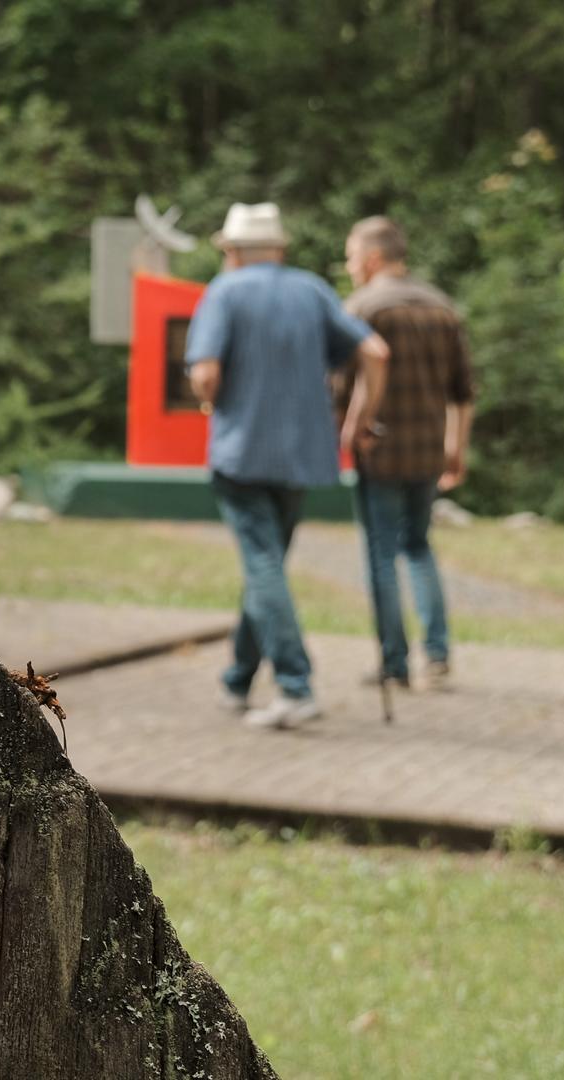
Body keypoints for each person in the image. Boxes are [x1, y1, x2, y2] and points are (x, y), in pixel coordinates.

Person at [185, 202, 389, 730]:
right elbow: (376, 353)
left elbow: (206, 374)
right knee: (268, 563)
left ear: (232, 252)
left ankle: (296, 687)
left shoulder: (223, 292)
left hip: (240, 453)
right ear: (279, 248)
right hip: (304, 456)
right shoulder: (313, 289)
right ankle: (237, 680)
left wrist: (211, 393)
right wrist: (362, 419)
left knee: (263, 565)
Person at [341, 216, 475, 690]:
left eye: (351, 256)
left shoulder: (363, 308)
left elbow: (343, 381)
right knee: (418, 547)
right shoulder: (442, 307)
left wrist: (349, 428)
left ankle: (394, 663)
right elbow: (464, 391)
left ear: (374, 258)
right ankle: (437, 655)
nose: (348, 265)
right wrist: (455, 448)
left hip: (380, 453)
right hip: (428, 454)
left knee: (381, 554)